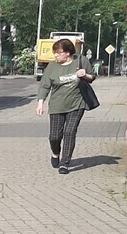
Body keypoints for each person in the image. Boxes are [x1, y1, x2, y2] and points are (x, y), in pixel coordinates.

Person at [35, 37, 95, 174]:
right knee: (54, 136)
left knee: (69, 132)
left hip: (77, 103)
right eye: (54, 52)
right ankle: (55, 153)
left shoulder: (81, 61)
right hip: (57, 105)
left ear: (67, 53)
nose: (55, 55)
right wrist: (40, 103)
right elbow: (45, 85)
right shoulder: (52, 66)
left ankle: (65, 163)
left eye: (58, 52)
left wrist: (85, 76)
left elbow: (92, 77)